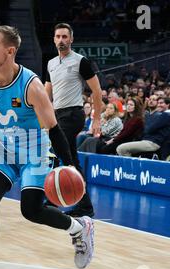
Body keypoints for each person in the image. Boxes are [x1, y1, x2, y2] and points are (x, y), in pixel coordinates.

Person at [0, 26, 94, 269]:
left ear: (10, 51)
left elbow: (54, 128)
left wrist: (71, 166)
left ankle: (80, 228)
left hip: (34, 152)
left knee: (31, 210)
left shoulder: (31, 85)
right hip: (0, 150)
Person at [44, 23, 102, 218]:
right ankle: (85, 205)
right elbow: (46, 93)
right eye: (58, 36)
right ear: (54, 39)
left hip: (74, 114)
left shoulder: (81, 61)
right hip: (57, 116)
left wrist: (96, 120)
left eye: (64, 37)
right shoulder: (51, 63)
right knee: (70, 160)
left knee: (54, 153)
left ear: (71, 39)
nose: (61, 40)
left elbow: (96, 91)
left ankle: (49, 200)